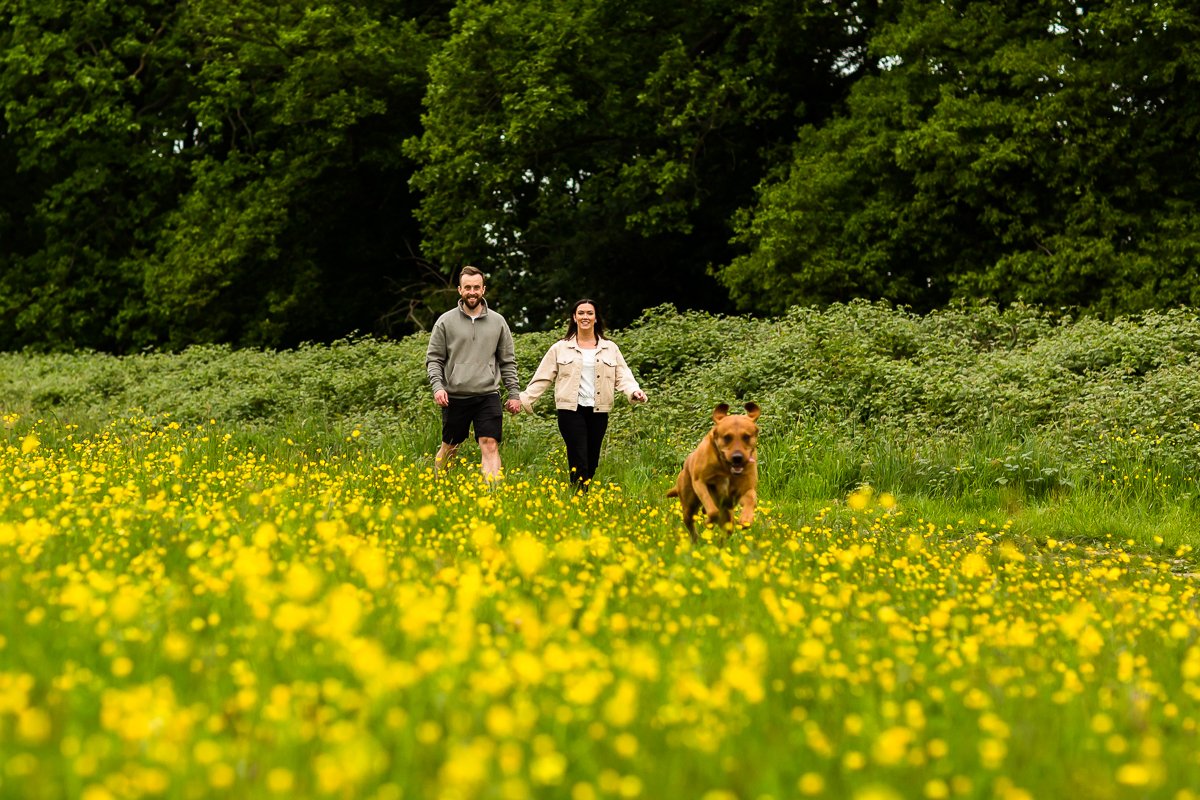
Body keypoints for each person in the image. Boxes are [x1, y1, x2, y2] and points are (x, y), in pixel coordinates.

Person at [520, 299, 647, 492]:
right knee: (579, 455)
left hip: (598, 410)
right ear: (574, 317)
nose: (585, 317)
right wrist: (525, 399)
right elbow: (543, 377)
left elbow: (623, 375)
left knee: (592, 459)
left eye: (589, 313)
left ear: (596, 318)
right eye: (581, 313)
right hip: (570, 410)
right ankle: (580, 498)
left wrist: (633, 391)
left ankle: (579, 492)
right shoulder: (560, 348)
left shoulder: (610, 348)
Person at [426, 266, 522, 479]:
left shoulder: (498, 322)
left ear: (483, 290)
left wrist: (514, 394)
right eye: (467, 287)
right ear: (460, 290)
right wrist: (438, 387)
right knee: (450, 447)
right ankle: (438, 485)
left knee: (489, 444)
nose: (472, 292)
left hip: (487, 395)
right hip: (455, 396)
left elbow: (507, 361)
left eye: (476, 287)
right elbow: (434, 359)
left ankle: (492, 494)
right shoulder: (445, 321)